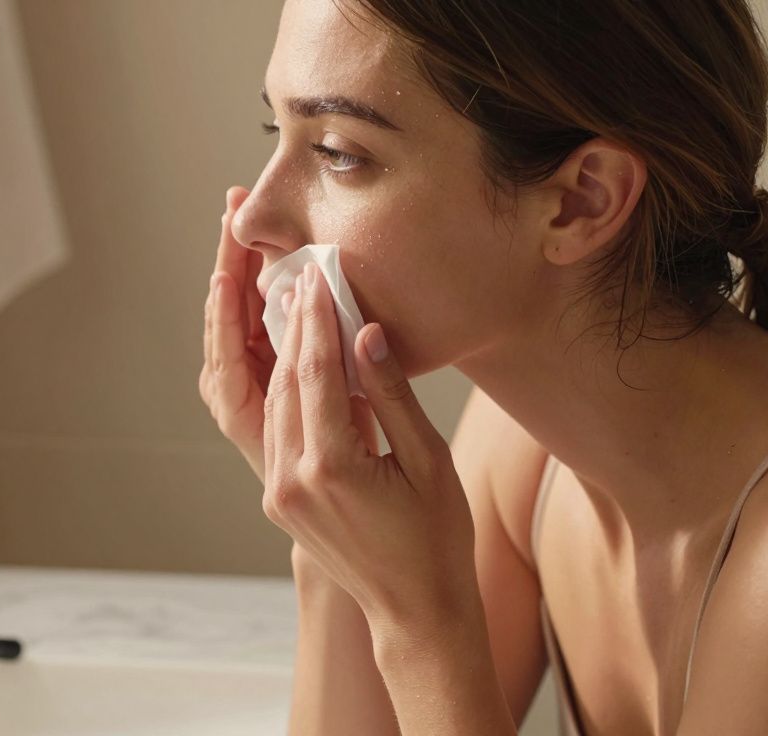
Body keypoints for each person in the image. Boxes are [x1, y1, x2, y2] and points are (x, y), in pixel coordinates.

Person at [198, 1, 768, 733]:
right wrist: (332, 535)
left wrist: (420, 621)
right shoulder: (526, 452)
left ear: (581, 200)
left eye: (339, 151)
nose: (253, 217)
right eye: (279, 128)